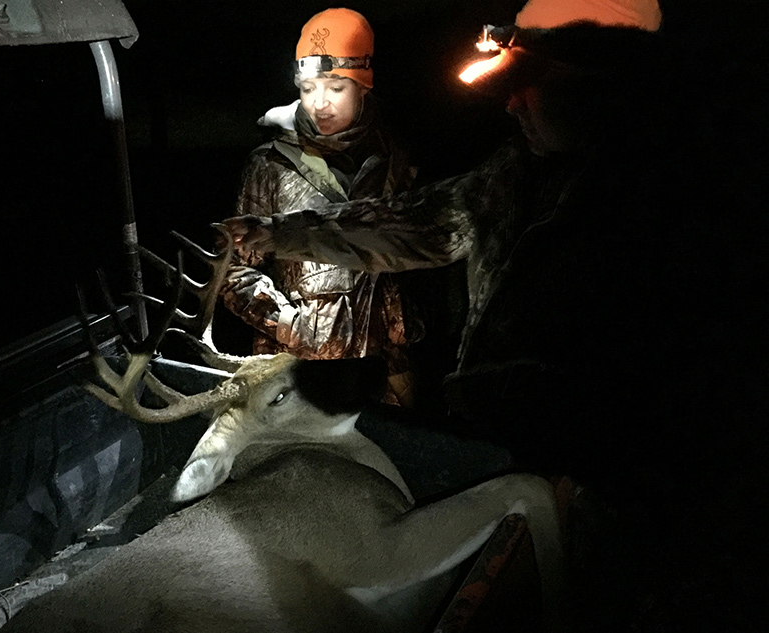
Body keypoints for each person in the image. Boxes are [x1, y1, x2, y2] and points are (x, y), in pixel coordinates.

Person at [222, 0, 768, 630]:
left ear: (601, 90)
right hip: (515, 451)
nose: (510, 106)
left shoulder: (694, 209)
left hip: (634, 498)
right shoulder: (517, 173)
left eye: (526, 86)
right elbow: (419, 224)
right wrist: (278, 235)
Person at [219, 8, 459, 407]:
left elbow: (421, 262)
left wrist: (400, 336)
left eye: (335, 87)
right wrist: (284, 321)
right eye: (309, 88)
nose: (320, 104)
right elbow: (233, 268)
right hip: (295, 373)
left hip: (383, 375)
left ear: (363, 87)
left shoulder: (397, 162)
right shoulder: (271, 165)